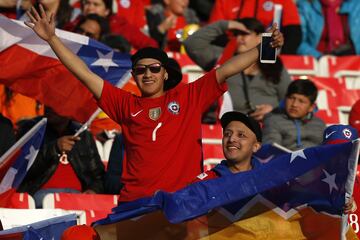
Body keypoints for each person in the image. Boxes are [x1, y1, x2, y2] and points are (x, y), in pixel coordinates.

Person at [24, 5, 283, 202]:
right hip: (135, 205)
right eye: (140, 70)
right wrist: (52, 39)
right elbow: (84, 73)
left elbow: (227, 69)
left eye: (154, 68)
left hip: (181, 204)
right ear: (134, 76)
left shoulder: (188, 97)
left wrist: (264, 47)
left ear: (165, 73)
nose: (147, 74)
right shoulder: (124, 103)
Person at [184, 18, 291, 121]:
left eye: (245, 33)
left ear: (259, 37)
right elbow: (191, 44)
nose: (240, 38)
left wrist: (274, 110)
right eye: (236, 34)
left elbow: (289, 97)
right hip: (226, 125)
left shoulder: (275, 65)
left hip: (268, 126)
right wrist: (225, 25)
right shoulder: (222, 58)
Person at [17, 107, 105, 208]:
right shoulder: (32, 129)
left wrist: (93, 190)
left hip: (79, 197)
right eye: (47, 101)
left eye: (56, 103)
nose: (49, 106)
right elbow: (20, 171)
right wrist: (54, 148)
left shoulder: (83, 134)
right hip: (39, 196)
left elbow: (98, 176)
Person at [208, 0, 302, 54]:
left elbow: (294, 35)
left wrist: (274, 54)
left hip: (269, 59)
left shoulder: (282, 2)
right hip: (231, 56)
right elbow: (214, 33)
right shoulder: (225, 1)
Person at [194, 111, 263, 181]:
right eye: (227, 134)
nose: (231, 139)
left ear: (256, 146)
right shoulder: (204, 183)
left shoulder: (269, 181)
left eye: (241, 135)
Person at [64, 0, 158, 50]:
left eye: (96, 4)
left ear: (107, 11)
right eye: (87, 3)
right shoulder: (74, 24)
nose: (90, 8)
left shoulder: (121, 27)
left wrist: (130, 56)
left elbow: (151, 46)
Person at [262, 79, 326, 151]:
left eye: (301, 101)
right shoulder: (273, 120)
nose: (294, 104)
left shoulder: (319, 123)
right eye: (291, 98)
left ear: (312, 107)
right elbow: (271, 150)